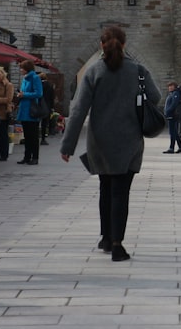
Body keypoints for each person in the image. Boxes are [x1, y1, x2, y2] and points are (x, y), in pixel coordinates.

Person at [60, 25, 161, 262]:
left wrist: (68, 146)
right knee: (120, 193)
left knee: (105, 188)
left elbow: (78, 110)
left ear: (101, 46)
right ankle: (117, 244)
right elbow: (156, 97)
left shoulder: (94, 72)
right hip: (129, 141)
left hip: (100, 142)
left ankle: (105, 236)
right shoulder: (138, 70)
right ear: (124, 45)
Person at [15, 60, 44, 165]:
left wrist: (24, 95)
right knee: (26, 136)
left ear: (27, 68)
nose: (20, 70)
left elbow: (39, 93)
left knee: (33, 136)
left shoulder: (35, 78)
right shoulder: (25, 79)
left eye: (22, 68)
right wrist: (20, 95)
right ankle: (27, 157)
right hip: (24, 110)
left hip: (32, 110)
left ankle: (35, 157)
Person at [163, 82, 181, 154]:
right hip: (171, 114)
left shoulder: (176, 93)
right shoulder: (173, 93)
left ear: (175, 87)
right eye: (169, 86)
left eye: (171, 86)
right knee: (174, 132)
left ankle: (171, 148)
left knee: (172, 132)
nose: (169, 87)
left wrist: (168, 111)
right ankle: (180, 147)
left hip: (172, 115)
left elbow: (174, 104)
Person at [39, 73, 56, 145]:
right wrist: (52, 107)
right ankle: (43, 138)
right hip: (47, 106)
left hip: (38, 105)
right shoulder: (50, 85)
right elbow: (52, 97)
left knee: (36, 122)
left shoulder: (39, 85)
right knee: (44, 123)